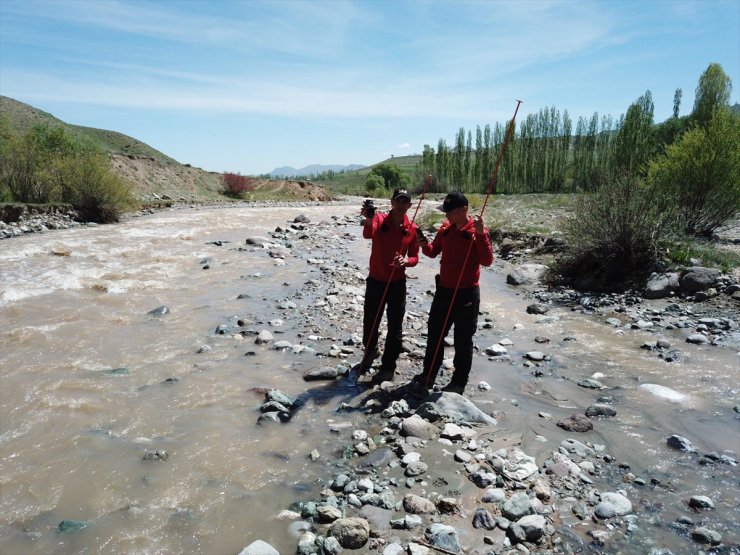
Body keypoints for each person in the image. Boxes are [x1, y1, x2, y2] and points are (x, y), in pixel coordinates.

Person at [414, 191, 494, 394]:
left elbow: (487, 261)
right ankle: (429, 374)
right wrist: (424, 245)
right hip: (444, 291)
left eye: (450, 211)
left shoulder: (477, 231)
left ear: (464, 210)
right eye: (445, 211)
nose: (446, 215)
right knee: (435, 334)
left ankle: (458, 383)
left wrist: (482, 235)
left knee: (463, 339)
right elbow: (432, 252)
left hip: (467, 294)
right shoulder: (445, 229)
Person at [359, 187, 420, 383]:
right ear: (392, 202)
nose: (401, 205)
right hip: (376, 280)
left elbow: (415, 257)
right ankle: (370, 351)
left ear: (409, 205)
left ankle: (388, 366)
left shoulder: (412, 228)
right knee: (370, 321)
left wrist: (406, 262)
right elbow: (368, 234)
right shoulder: (378, 219)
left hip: (397, 284)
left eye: (405, 201)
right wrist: (368, 219)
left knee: (395, 327)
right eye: (398, 200)